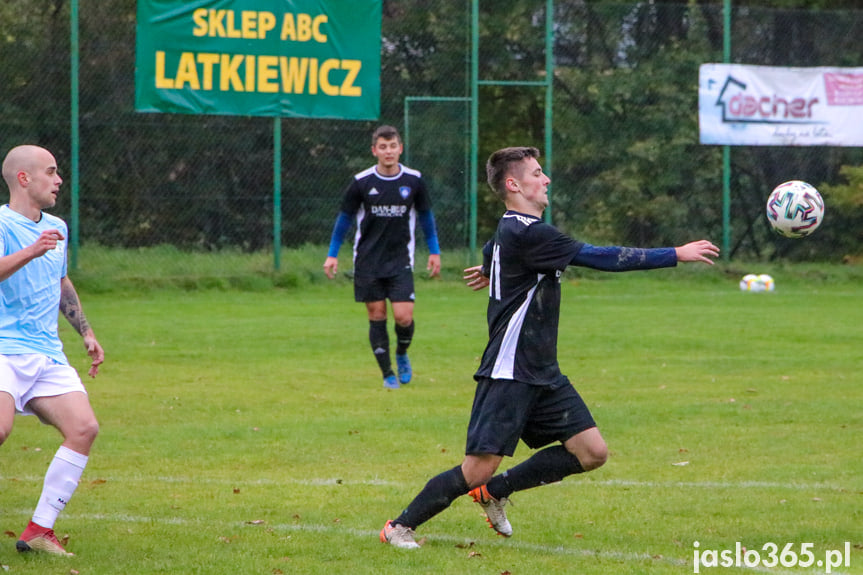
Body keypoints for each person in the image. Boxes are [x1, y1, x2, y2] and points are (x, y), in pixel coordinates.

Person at [380, 146, 719, 548]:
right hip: (510, 369)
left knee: (591, 452)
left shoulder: (516, 230)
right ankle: (399, 527)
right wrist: (675, 254)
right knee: (476, 469)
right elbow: (602, 257)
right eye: (537, 173)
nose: (546, 180)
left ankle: (496, 492)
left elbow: (496, 245)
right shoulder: (529, 232)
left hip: (541, 369)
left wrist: (493, 265)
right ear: (514, 184)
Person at [0, 145, 104, 556]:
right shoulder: (3, 223)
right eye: (51, 171)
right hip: (3, 350)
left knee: (84, 429)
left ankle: (39, 530)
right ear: (24, 178)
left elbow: (60, 282)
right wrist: (30, 249)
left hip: (46, 353)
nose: (59, 179)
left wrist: (86, 332)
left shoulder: (57, 226)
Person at [323, 125, 441, 389]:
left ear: (400, 149)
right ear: (375, 150)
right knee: (377, 314)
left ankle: (401, 353)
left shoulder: (414, 181)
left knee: (403, 316)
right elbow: (344, 220)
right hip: (368, 262)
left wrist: (434, 251)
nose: (388, 151)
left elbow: (426, 218)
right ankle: (388, 374)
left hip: (401, 261)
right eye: (383, 147)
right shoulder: (361, 182)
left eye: (393, 146)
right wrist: (332, 254)